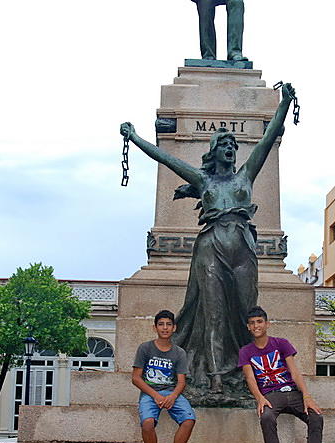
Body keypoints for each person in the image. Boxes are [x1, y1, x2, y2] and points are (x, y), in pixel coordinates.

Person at [120, 84, 296, 394]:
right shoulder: (204, 179)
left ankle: (249, 375)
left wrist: (285, 103)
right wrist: (134, 139)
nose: (230, 148)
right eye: (224, 145)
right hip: (211, 246)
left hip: (242, 246)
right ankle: (215, 376)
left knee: (247, 311)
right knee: (213, 313)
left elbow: (268, 140)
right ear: (214, 151)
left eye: (233, 145)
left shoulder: (246, 175)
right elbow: (166, 159)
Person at [239, 306, 335, 443]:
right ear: (248, 327)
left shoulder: (281, 343)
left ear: (267, 324)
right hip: (271, 396)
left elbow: (294, 372)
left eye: (260, 321)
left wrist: (306, 396)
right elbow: (250, 378)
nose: (256, 326)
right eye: (253, 323)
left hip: (293, 393)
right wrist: (260, 398)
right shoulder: (246, 351)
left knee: (316, 418)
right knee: (267, 418)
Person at [132, 310, 196, 443]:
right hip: (150, 393)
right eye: (161, 324)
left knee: (189, 420)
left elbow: (181, 382)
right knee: (147, 423)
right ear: (155, 327)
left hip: (171, 392)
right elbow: (136, 378)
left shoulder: (179, 352)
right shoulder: (145, 348)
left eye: (168, 324)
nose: (165, 328)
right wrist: (155, 395)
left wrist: (173, 396)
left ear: (174, 328)